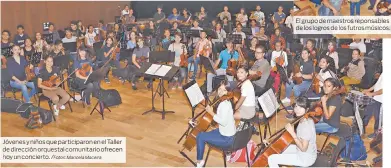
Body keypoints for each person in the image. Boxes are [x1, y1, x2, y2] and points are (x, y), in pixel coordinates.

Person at [268, 96, 317, 167]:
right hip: (308, 152)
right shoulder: (307, 119)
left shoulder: (306, 127)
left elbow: (303, 149)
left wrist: (292, 133)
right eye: (296, 106)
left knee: (271, 159)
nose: (297, 109)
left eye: (301, 107)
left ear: (307, 110)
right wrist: (270, 141)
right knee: (280, 149)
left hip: (305, 158)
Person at [196, 80, 236, 168]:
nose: (221, 92)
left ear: (228, 92)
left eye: (224, 90)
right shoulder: (228, 101)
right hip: (229, 134)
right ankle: (228, 153)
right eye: (220, 89)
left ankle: (199, 163)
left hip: (227, 139)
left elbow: (223, 122)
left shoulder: (224, 104)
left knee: (200, 136)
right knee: (208, 132)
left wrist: (211, 112)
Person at [362, 73, 383, 139]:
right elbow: (377, 84)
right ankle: (361, 130)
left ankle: (377, 134)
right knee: (367, 113)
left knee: (378, 119)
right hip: (375, 98)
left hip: (381, 100)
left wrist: (372, 93)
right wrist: (368, 90)